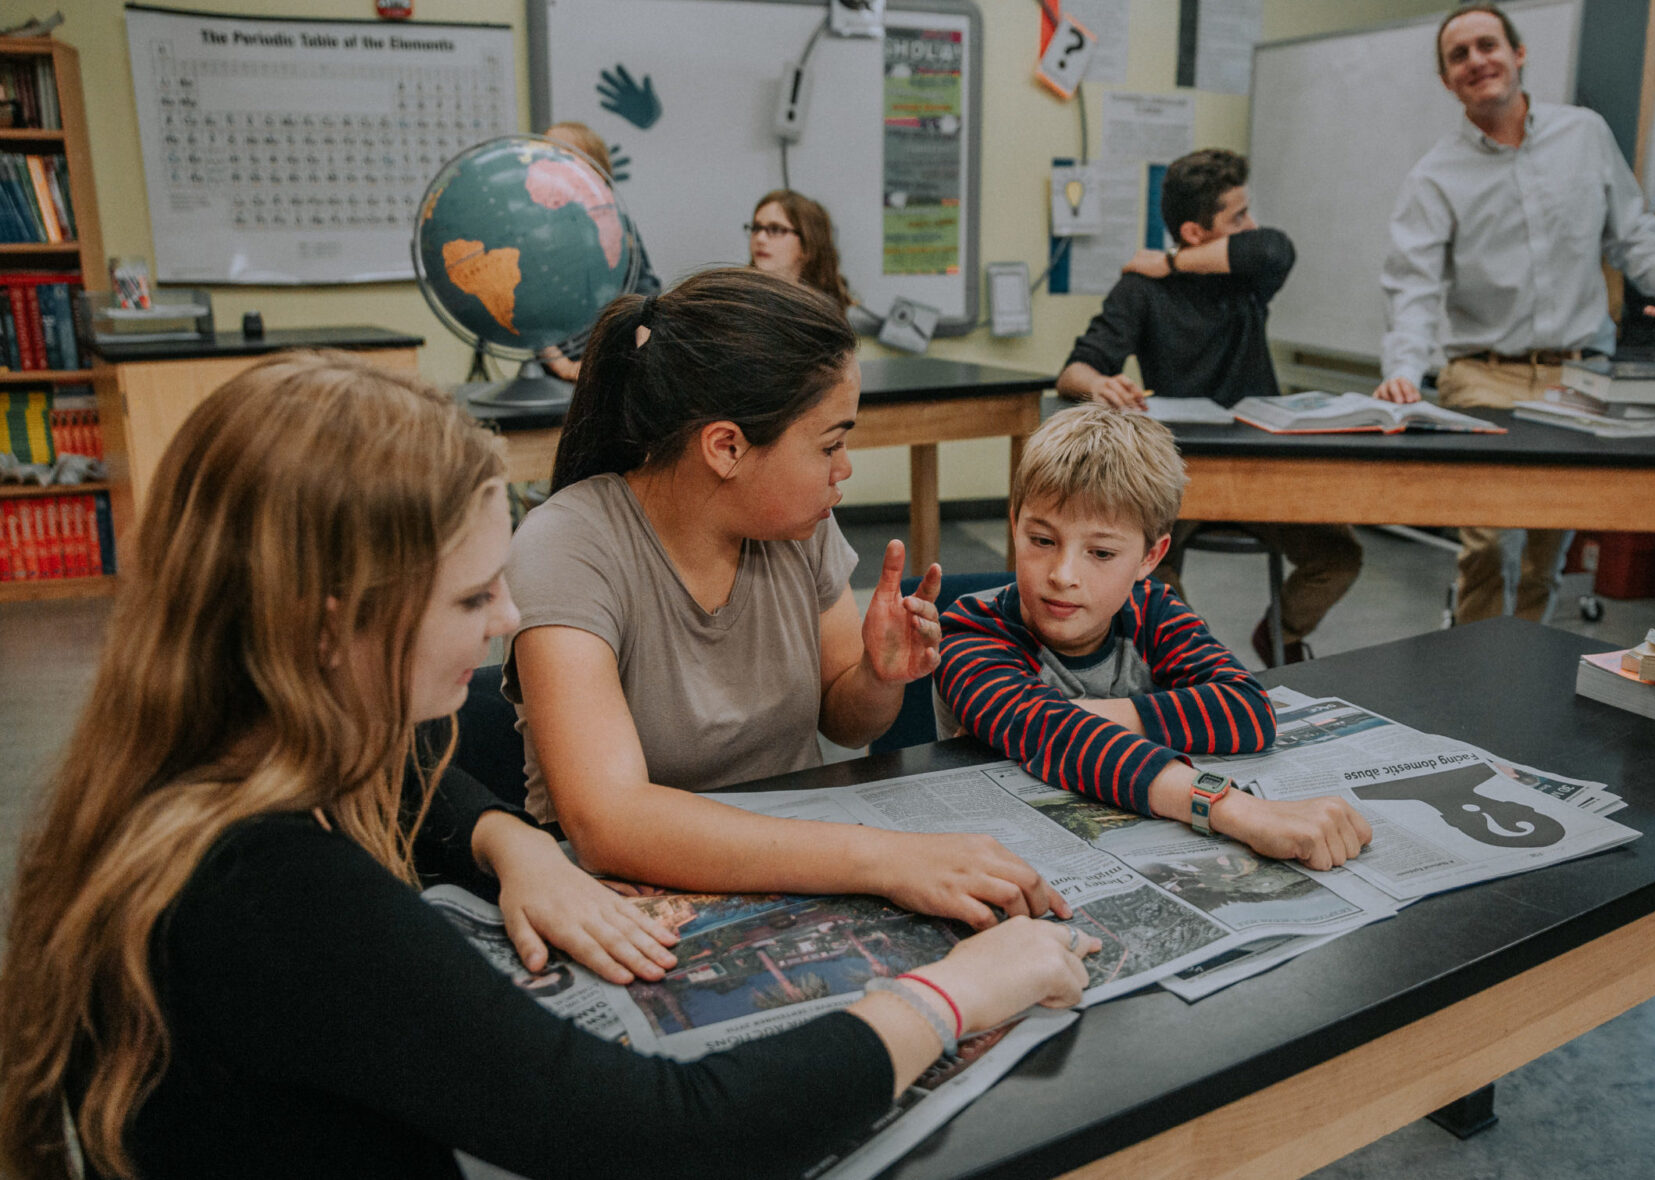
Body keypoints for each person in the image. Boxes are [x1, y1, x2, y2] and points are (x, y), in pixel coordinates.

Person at [0, 352, 1097, 1179]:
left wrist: (508, 837)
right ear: (335, 625)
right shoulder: (277, 891)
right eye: (474, 598)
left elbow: (423, 768)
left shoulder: (195, 752)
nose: (509, 621)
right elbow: (667, 1135)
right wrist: (960, 989)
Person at [505, 268, 1067, 929]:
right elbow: (608, 820)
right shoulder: (567, 544)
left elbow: (844, 719)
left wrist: (880, 677)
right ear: (726, 447)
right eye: (830, 443)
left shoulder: (797, 524)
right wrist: (883, 859)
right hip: (632, 895)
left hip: (797, 861)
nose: (845, 468)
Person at [933, 405, 1372, 872]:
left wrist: (1069, 717)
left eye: (1100, 552)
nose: (1062, 575)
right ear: (1015, 521)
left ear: (1150, 556)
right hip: (1007, 852)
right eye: (1042, 540)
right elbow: (1051, 733)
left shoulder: (1152, 609)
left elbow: (1248, 709)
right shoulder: (970, 630)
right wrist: (1234, 808)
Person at [1371, 3, 1655, 625]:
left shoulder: (1585, 134)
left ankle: (1522, 679)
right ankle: (1472, 676)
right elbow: (1413, 288)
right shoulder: (1433, 176)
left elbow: (1629, 230)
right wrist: (1403, 372)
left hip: (1578, 378)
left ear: (1517, 54)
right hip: (1483, 375)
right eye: (1458, 55)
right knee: (1492, 543)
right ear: (1447, 81)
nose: (1476, 62)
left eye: (1487, 45)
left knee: (1549, 548)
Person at [1057, 147, 1362, 667]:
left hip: (1265, 471)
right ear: (1196, 231)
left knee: (1339, 555)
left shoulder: (1245, 278)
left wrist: (1171, 260)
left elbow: (1271, 250)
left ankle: (1281, 634)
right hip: (1183, 474)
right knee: (1151, 567)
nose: (1253, 225)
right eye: (1237, 217)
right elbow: (1073, 371)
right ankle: (1202, 663)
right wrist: (1102, 384)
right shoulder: (1141, 291)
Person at [538, 121, 660, 382]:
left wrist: (639, 357)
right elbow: (528, 308)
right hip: (555, 373)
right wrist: (563, 366)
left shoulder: (619, 226)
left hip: (616, 365)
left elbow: (646, 295)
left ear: (595, 172)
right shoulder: (536, 233)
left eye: (563, 157)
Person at [747, 188, 855, 312]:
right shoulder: (737, 299)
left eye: (776, 229)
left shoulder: (822, 314)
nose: (760, 238)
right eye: (756, 228)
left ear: (807, 245)